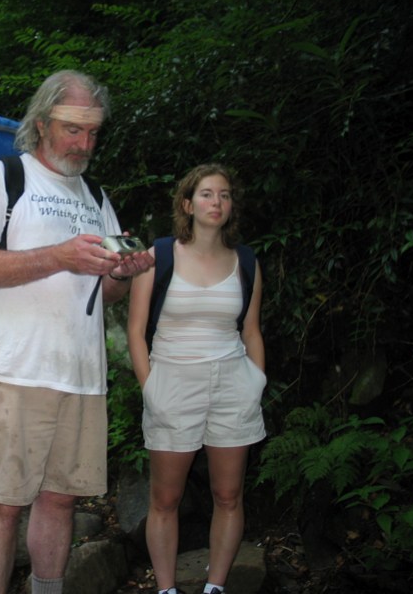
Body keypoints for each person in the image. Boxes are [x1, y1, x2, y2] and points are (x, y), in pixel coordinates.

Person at [0, 69, 153, 594]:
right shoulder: (3, 177)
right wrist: (60, 256)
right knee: (4, 503)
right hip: (14, 369)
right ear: (41, 124)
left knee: (61, 499)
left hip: (81, 374)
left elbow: (103, 293)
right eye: (72, 130)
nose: (84, 144)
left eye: (92, 133)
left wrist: (119, 275)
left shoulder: (94, 194)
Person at [126, 163, 266, 594]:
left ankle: (215, 587)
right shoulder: (159, 256)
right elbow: (136, 330)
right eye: (207, 194)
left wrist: (255, 382)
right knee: (165, 499)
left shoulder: (245, 261)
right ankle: (167, 589)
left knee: (228, 496)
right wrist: (151, 388)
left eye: (224, 195)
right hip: (172, 381)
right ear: (188, 204)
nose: (216, 202)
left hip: (232, 384)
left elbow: (251, 329)